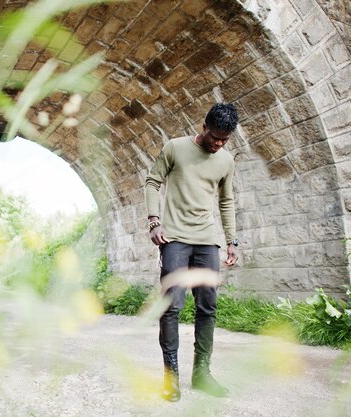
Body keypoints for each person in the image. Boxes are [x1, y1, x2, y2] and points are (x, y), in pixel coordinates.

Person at [144, 102, 239, 401]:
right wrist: (154, 222)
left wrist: (232, 240)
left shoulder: (226, 160)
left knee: (208, 307)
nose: (218, 144)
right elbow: (152, 181)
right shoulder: (175, 148)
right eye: (214, 137)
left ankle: (202, 374)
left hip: (207, 240)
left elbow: (226, 201)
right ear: (204, 127)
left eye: (224, 139)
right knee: (172, 307)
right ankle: (171, 378)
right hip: (174, 238)